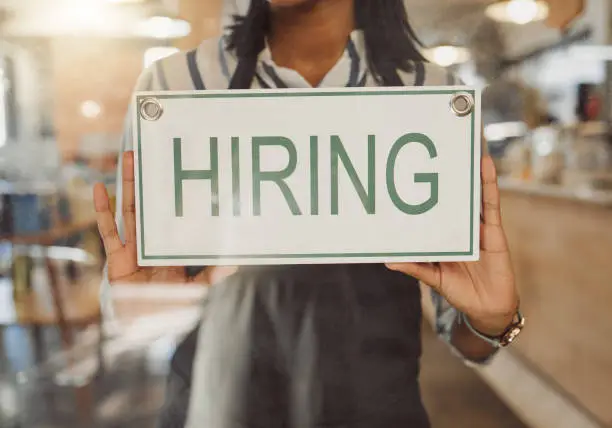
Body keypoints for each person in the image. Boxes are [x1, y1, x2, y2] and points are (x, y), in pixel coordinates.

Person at [95, 0, 522, 427]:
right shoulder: (173, 88)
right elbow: (146, 311)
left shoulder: (437, 96)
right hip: (223, 405)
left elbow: (469, 339)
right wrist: (141, 309)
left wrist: (494, 322)